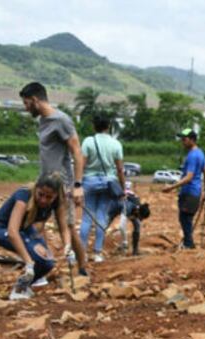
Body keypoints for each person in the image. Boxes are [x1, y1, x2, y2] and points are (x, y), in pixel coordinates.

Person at [19, 82, 89, 277]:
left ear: (35, 100)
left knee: (67, 228)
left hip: (62, 186)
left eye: (26, 103)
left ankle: (82, 268)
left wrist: (77, 185)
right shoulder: (43, 121)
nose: (26, 108)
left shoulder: (61, 120)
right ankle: (44, 265)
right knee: (35, 225)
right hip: (44, 185)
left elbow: (77, 152)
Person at [0, 173, 74, 300]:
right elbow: (12, 231)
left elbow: (63, 228)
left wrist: (68, 246)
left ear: (56, 195)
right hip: (2, 229)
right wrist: (28, 262)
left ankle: (23, 286)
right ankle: (18, 290)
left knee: (48, 262)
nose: (43, 200)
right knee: (37, 257)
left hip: (25, 229)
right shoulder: (24, 195)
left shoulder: (57, 202)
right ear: (36, 188)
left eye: (49, 197)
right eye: (41, 194)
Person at [79, 114, 126, 262]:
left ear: (94, 126)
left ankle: (82, 253)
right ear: (108, 127)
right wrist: (123, 188)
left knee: (86, 218)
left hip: (89, 182)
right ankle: (97, 253)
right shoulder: (116, 144)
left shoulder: (88, 141)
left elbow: (82, 164)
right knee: (101, 216)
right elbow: (120, 169)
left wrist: (77, 184)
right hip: (108, 183)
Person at [163, 128, 205, 249]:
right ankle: (188, 241)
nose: (182, 141)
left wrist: (171, 187)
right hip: (195, 192)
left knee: (184, 218)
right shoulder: (200, 153)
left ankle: (189, 244)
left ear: (192, 140)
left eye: (185, 139)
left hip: (189, 192)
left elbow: (189, 177)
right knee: (186, 218)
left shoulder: (192, 156)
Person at [107, 182, 150, 256]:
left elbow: (135, 220)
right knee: (105, 224)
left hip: (128, 208)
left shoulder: (138, 208)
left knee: (137, 225)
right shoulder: (128, 207)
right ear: (138, 212)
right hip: (116, 207)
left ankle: (135, 250)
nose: (140, 219)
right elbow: (121, 226)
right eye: (140, 217)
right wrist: (125, 241)